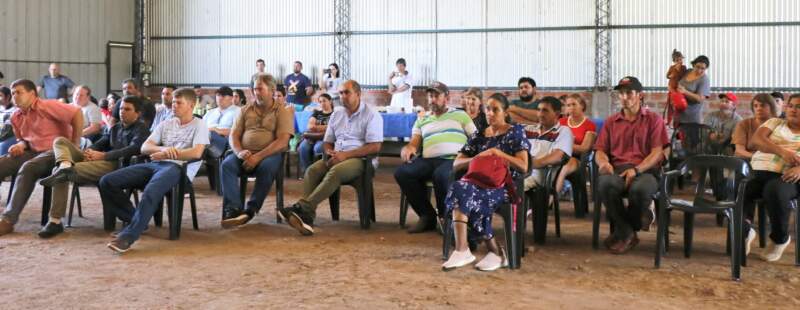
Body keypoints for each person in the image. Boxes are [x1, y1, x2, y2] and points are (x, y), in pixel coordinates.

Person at [100, 87, 208, 253]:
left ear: (191, 105)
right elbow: (145, 147)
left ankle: (129, 236)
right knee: (107, 181)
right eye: (173, 102)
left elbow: (196, 152)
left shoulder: (199, 125)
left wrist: (171, 153)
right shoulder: (166, 123)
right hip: (155, 164)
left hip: (177, 168)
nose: (174, 105)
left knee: (151, 191)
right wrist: (164, 151)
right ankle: (135, 219)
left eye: (179, 103)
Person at [280, 80, 383, 236]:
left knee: (335, 172)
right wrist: (329, 152)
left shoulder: (371, 115)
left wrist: (345, 155)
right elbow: (328, 142)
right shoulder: (337, 113)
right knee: (311, 171)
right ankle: (307, 218)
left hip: (361, 159)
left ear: (358, 94)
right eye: (341, 93)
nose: (343, 96)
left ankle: (303, 208)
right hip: (337, 156)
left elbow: (375, 146)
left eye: (347, 92)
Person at [37, 96, 150, 238]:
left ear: (137, 113)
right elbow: (102, 142)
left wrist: (103, 156)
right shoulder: (116, 127)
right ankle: (65, 163)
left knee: (57, 171)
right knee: (60, 141)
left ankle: (54, 221)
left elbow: (134, 149)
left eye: (127, 109)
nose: (122, 112)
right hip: (99, 161)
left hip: (117, 166)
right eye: (121, 108)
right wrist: (89, 152)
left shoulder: (142, 129)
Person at [441, 93, 530, 271]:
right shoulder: (479, 134)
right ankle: (464, 249)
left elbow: (523, 166)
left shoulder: (515, 132)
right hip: (477, 182)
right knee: (460, 188)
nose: (490, 113)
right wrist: (478, 157)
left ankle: (493, 251)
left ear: (505, 112)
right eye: (488, 109)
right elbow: (457, 163)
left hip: (503, 186)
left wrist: (498, 154)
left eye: (495, 109)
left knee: (468, 196)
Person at [594, 76, 669, 254]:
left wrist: (636, 170)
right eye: (621, 93)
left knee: (640, 190)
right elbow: (600, 150)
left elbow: (657, 152)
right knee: (605, 184)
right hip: (617, 169)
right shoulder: (611, 122)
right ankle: (628, 232)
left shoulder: (653, 120)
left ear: (640, 95)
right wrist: (604, 163)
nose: (624, 97)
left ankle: (624, 230)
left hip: (646, 170)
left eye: (629, 93)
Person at [0, 79, 83, 236]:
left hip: (56, 152)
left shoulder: (48, 105)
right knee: (2, 163)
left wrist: (75, 143)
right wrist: (20, 145)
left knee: (28, 168)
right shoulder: (15, 116)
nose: (14, 96)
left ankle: (8, 220)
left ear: (32, 94)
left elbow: (76, 113)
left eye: (19, 92)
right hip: (33, 152)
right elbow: (24, 139)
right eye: (12, 93)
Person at [394, 82, 477, 233]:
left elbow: (475, 138)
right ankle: (427, 216)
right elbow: (414, 142)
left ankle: (445, 218)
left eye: (436, 96)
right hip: (429, 160)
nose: (432, 99)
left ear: (447, 97)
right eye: (430, 96)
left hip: (453, 160)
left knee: (441, 175)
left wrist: (467, 155)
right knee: (402, 173)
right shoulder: (422, 119)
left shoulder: (460, 115)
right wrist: (409, 148)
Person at [220, 74, 294, 227]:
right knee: (227, 165)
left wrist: (258, 157)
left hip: (269, 155)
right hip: (244, 153)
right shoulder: (244, 110)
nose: (256, 92)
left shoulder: (282, 111)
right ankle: (233, 209)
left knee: (267, 168)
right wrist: (240, 151)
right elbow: (234, 135)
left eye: (260, 89)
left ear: (272, 90)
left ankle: (251, 210)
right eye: (254, 89)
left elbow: (283, 141)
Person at [744, 94, 800, 262]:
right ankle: (745, 231)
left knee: (774, 190)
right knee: (740, 188)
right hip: (760, 172)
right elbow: (756, 141)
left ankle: (780, 238)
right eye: (791, 106)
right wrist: (782, 152)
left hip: (790, 177)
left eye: (799, 107)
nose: (793, 110)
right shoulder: (774, 123)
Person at [523, 96, 573, 191]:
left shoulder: (564, 131)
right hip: (523, 170)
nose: (540, 114)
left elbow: (557, 156)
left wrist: (529, 164)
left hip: (542, 175)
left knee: (515, 185)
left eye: (545, 110)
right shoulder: (529, 129)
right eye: (539, 110)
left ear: (557, 114)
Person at [555, 94, 597, 193]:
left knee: (563, 170)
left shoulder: (589, 125)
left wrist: (563, 145)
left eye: (574, 104)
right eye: (568, 105)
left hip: (578, 159)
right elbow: (552, 141)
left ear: (582, 105)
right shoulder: (561, 122)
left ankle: (551, 199)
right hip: (558, 156)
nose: (571, 108)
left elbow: (584, 148)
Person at [732, 94, 777, 160]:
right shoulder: (744, 124)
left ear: (771, 107)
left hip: (774, 161)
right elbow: (739, 151)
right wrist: (758, 158)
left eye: (763, 105)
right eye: (755, 106)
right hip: (749, 160)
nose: (759, 108)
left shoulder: (779, 124)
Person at [298, 94, 334, 172]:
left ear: (330, 101)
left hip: (326, 138)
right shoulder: (316, 113)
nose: (322, 103)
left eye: (324, 101)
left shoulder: (334, 114)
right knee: (303, 147)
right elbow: (310, 126)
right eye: (320, 102)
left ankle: (318, 172)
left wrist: (317, 127)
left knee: (318, 148)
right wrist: (325, 127)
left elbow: (333, 127)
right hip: (313, 137)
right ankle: (307, 172)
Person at [203, 86, 241, 157]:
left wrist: (215, 130)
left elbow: (237, 131)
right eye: (218, 95)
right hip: (205, 140)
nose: (220, 98)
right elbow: (200, 128)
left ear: (231, 98)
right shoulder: (210, 112)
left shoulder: (238, 111)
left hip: (225, 142)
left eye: (223, 96)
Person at [676, 55, 711, 125]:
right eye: (697, 67)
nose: (699, 70)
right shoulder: (688, 71)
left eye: (702, 68)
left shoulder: (704, 80)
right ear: (694, 64)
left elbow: (700, 99)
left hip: (691, 118)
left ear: (706, 68)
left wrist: (685, 92)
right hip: (678, 114)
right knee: (677, 135)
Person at [665, 49, 687, 125]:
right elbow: (667, 75)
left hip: (679, 88)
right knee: (670, 105)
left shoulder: (683, 67)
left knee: (678, 105)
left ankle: (677, 122)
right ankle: (668, 121)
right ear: (674, 60)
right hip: (671, 87)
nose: (680, 61)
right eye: (677, 60)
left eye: (681, 59)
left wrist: (677, 71)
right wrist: (671, 75)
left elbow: (684, 77)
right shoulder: (672, 67)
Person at [0, 86, 17, 155]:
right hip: (2, 136)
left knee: (2, 145)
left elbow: (7, 132)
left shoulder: (13, 111)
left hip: (11, 137)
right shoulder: (1, 108)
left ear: (7, 97)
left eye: (0, 95)